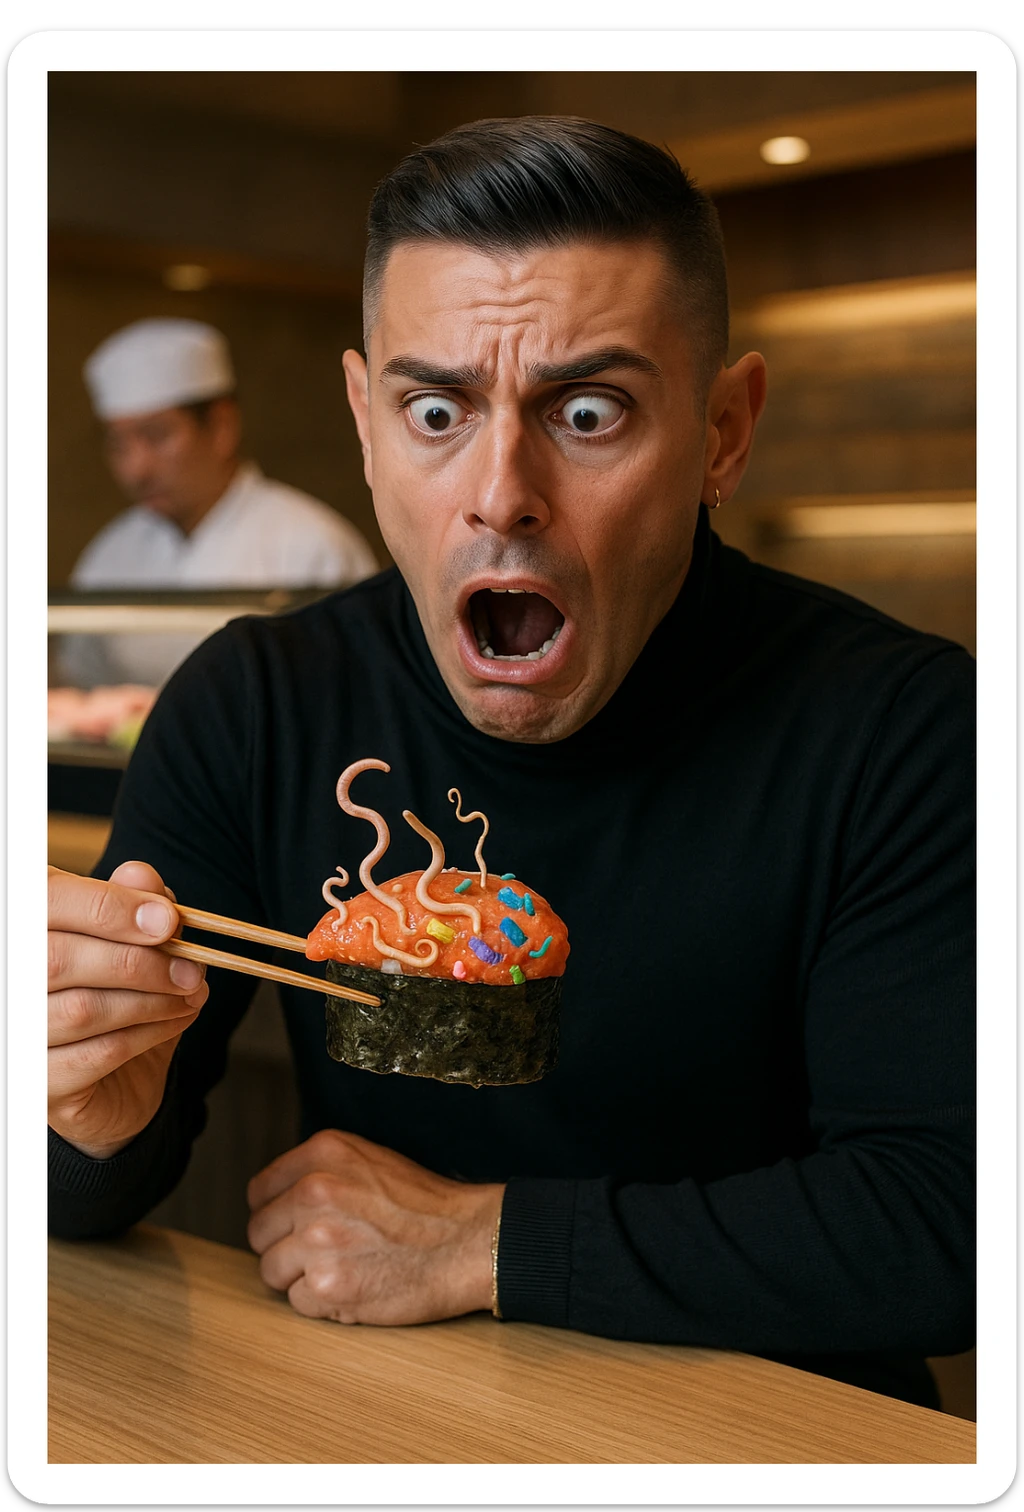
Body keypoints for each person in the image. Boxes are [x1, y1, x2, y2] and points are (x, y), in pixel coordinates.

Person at [47, 117, 974, 1410]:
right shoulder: (257, 702)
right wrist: (81, 1108)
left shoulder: (906, 731)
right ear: (367, 424)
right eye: (437, 410)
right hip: (370, 1418)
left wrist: (486, 1241)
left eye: (588, 411)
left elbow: (951, 1222)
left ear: (721, 430)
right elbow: (80, 1197)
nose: (500, 493)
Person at [58, 317, 379, 687]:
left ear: (222, 427)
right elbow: (79, 684)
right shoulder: (110, 554)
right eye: (118, 444)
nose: (136, 468)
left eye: (156, 435)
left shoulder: (312, 544)